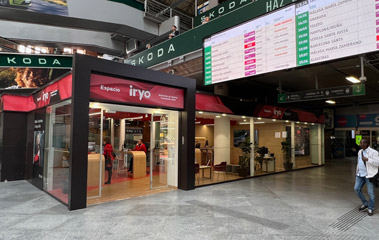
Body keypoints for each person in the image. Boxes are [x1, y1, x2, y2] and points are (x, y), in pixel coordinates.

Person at [354, 138, 379, 216]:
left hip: (369, 175)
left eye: (363, 143)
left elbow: (378, 163)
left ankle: (370, 208)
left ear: (367, 144)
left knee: (371, 193)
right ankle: (365, 203)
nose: (361, 144)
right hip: (360, 174)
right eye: (360, 143)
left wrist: (368, 159)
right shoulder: (360, 152)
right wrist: (357, 171)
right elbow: (359, 162)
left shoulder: (374, 152)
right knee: (356, 189)